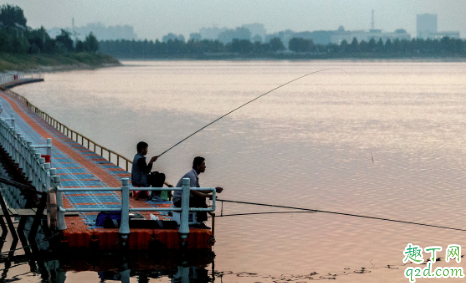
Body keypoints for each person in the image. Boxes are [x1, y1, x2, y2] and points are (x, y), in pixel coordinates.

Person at [173, 156, 223, 228]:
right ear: (197, 166)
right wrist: (208, 196)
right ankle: (200, 223)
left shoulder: (194, 175)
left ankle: (199, 221)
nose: (205, 166)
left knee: (201, 198)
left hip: (184, 199)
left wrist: (214, 190)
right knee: (200, 199)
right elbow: (195, 193)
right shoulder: (191, 176)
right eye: (203, 164)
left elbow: (199, 190)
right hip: (179, 200)